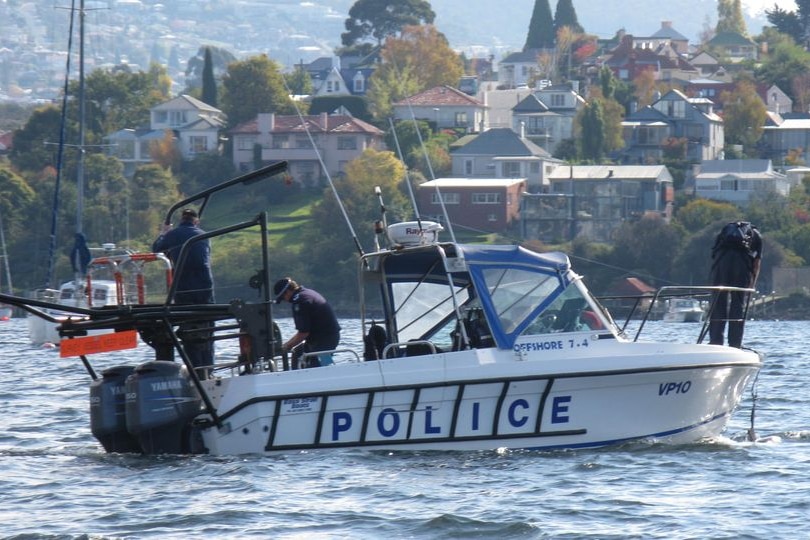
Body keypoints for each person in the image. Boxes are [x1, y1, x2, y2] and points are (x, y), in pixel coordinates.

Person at [152, 208, 215, 375]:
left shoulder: (172, 235)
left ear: (182, 219)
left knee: (188, 327)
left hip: (183, 288)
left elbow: (156, 249)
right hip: (205, 286)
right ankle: (208, 368)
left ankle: (195, 370)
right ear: (196, 221)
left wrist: (164, 234)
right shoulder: (204, 235)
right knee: (208, 327)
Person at [708, 221, 762, 348]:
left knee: (718, 303)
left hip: (721, 265)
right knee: (738, 304)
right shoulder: (756, 235)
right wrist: (752, 285)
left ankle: (715, 342)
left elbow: (714, 254)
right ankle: (735, 343)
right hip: (741, 267)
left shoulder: (724, 231)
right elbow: (756, 263)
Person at [273, 277, 340, 368]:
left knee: (316, 366)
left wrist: (286, 346)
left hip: (324, 339)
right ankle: (296, 376)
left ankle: (327, 375)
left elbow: (303, 333)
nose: (285, 301)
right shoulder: (306, 293)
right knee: (297, 353)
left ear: (288, 292)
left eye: (283, 298)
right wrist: (287, 345)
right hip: (326, 337)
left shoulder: (300, 302)